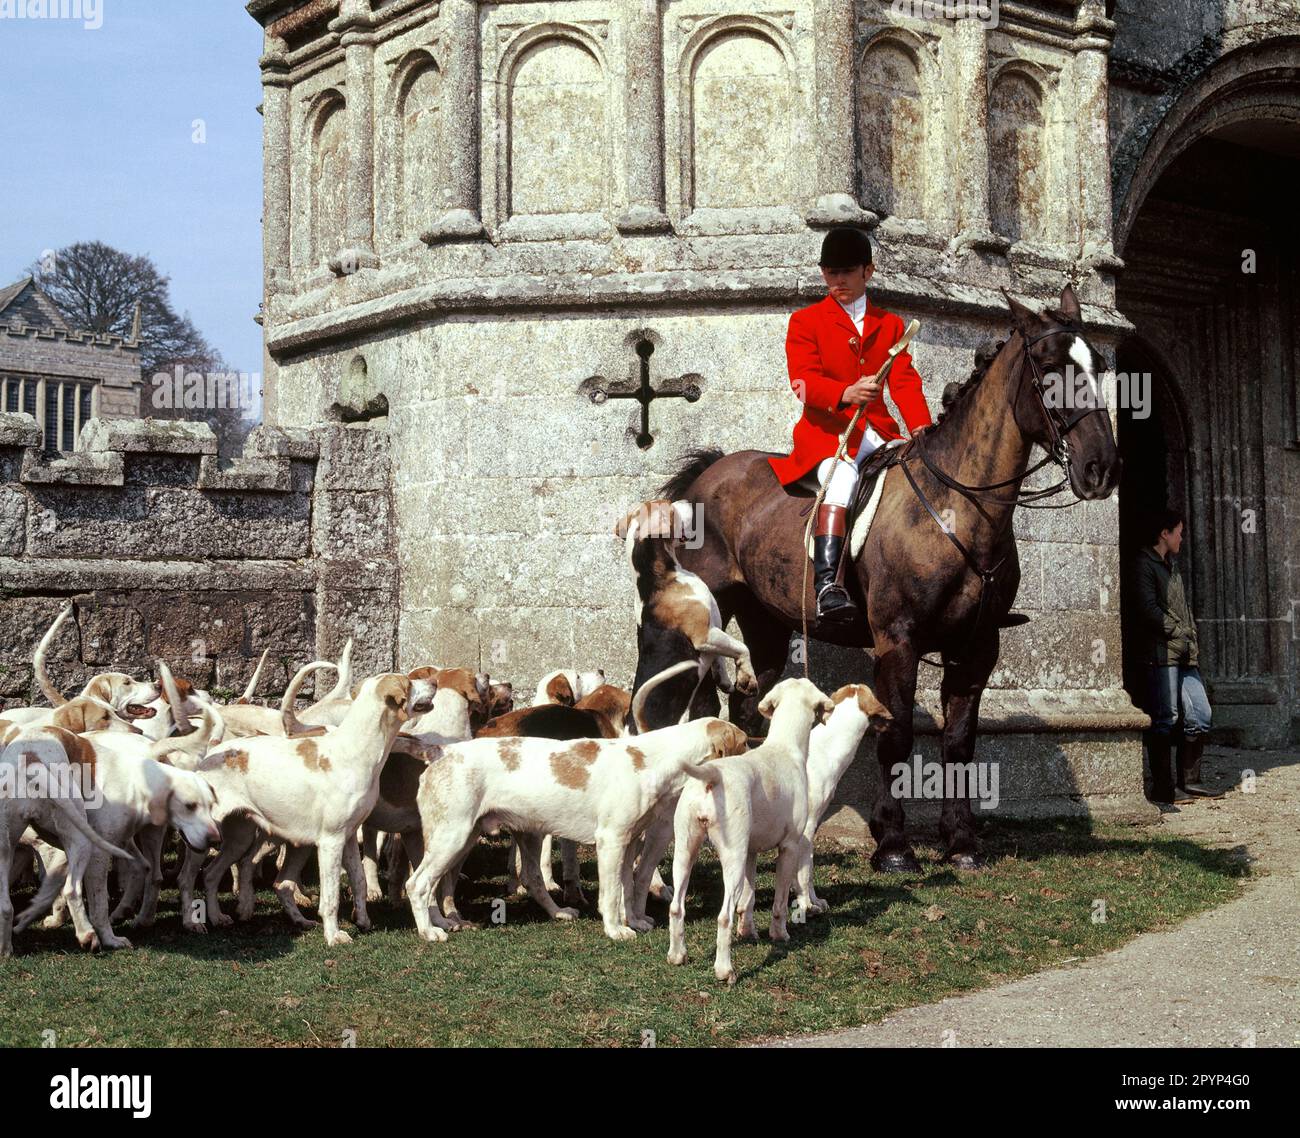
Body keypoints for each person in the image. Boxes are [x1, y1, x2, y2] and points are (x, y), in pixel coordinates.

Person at [768, 228, 933, 623]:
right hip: (828, 439)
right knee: (842, 481)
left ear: (868, 271)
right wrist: (844, 393)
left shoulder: (890, 325)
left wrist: (923, 429)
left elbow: (905, 382)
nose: (836, 281)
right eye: (829, 273)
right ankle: (828, 585)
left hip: (879, 435)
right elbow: (802, 383)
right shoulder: (805, 322)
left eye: (845, 272)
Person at [1134, 507, 1217, 805]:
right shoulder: (1144, 564)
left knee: (1200, 715)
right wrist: (1179, 632)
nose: (1182, 537)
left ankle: (1190, 782)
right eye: (1179, 532)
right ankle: (1164, 789)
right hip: (1162, 654)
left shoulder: (1172, 564)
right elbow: (1148, 610)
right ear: (1164, 534)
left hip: (1184, 653)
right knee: (1165, 719)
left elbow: (1182, 607)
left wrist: (1190, 634)